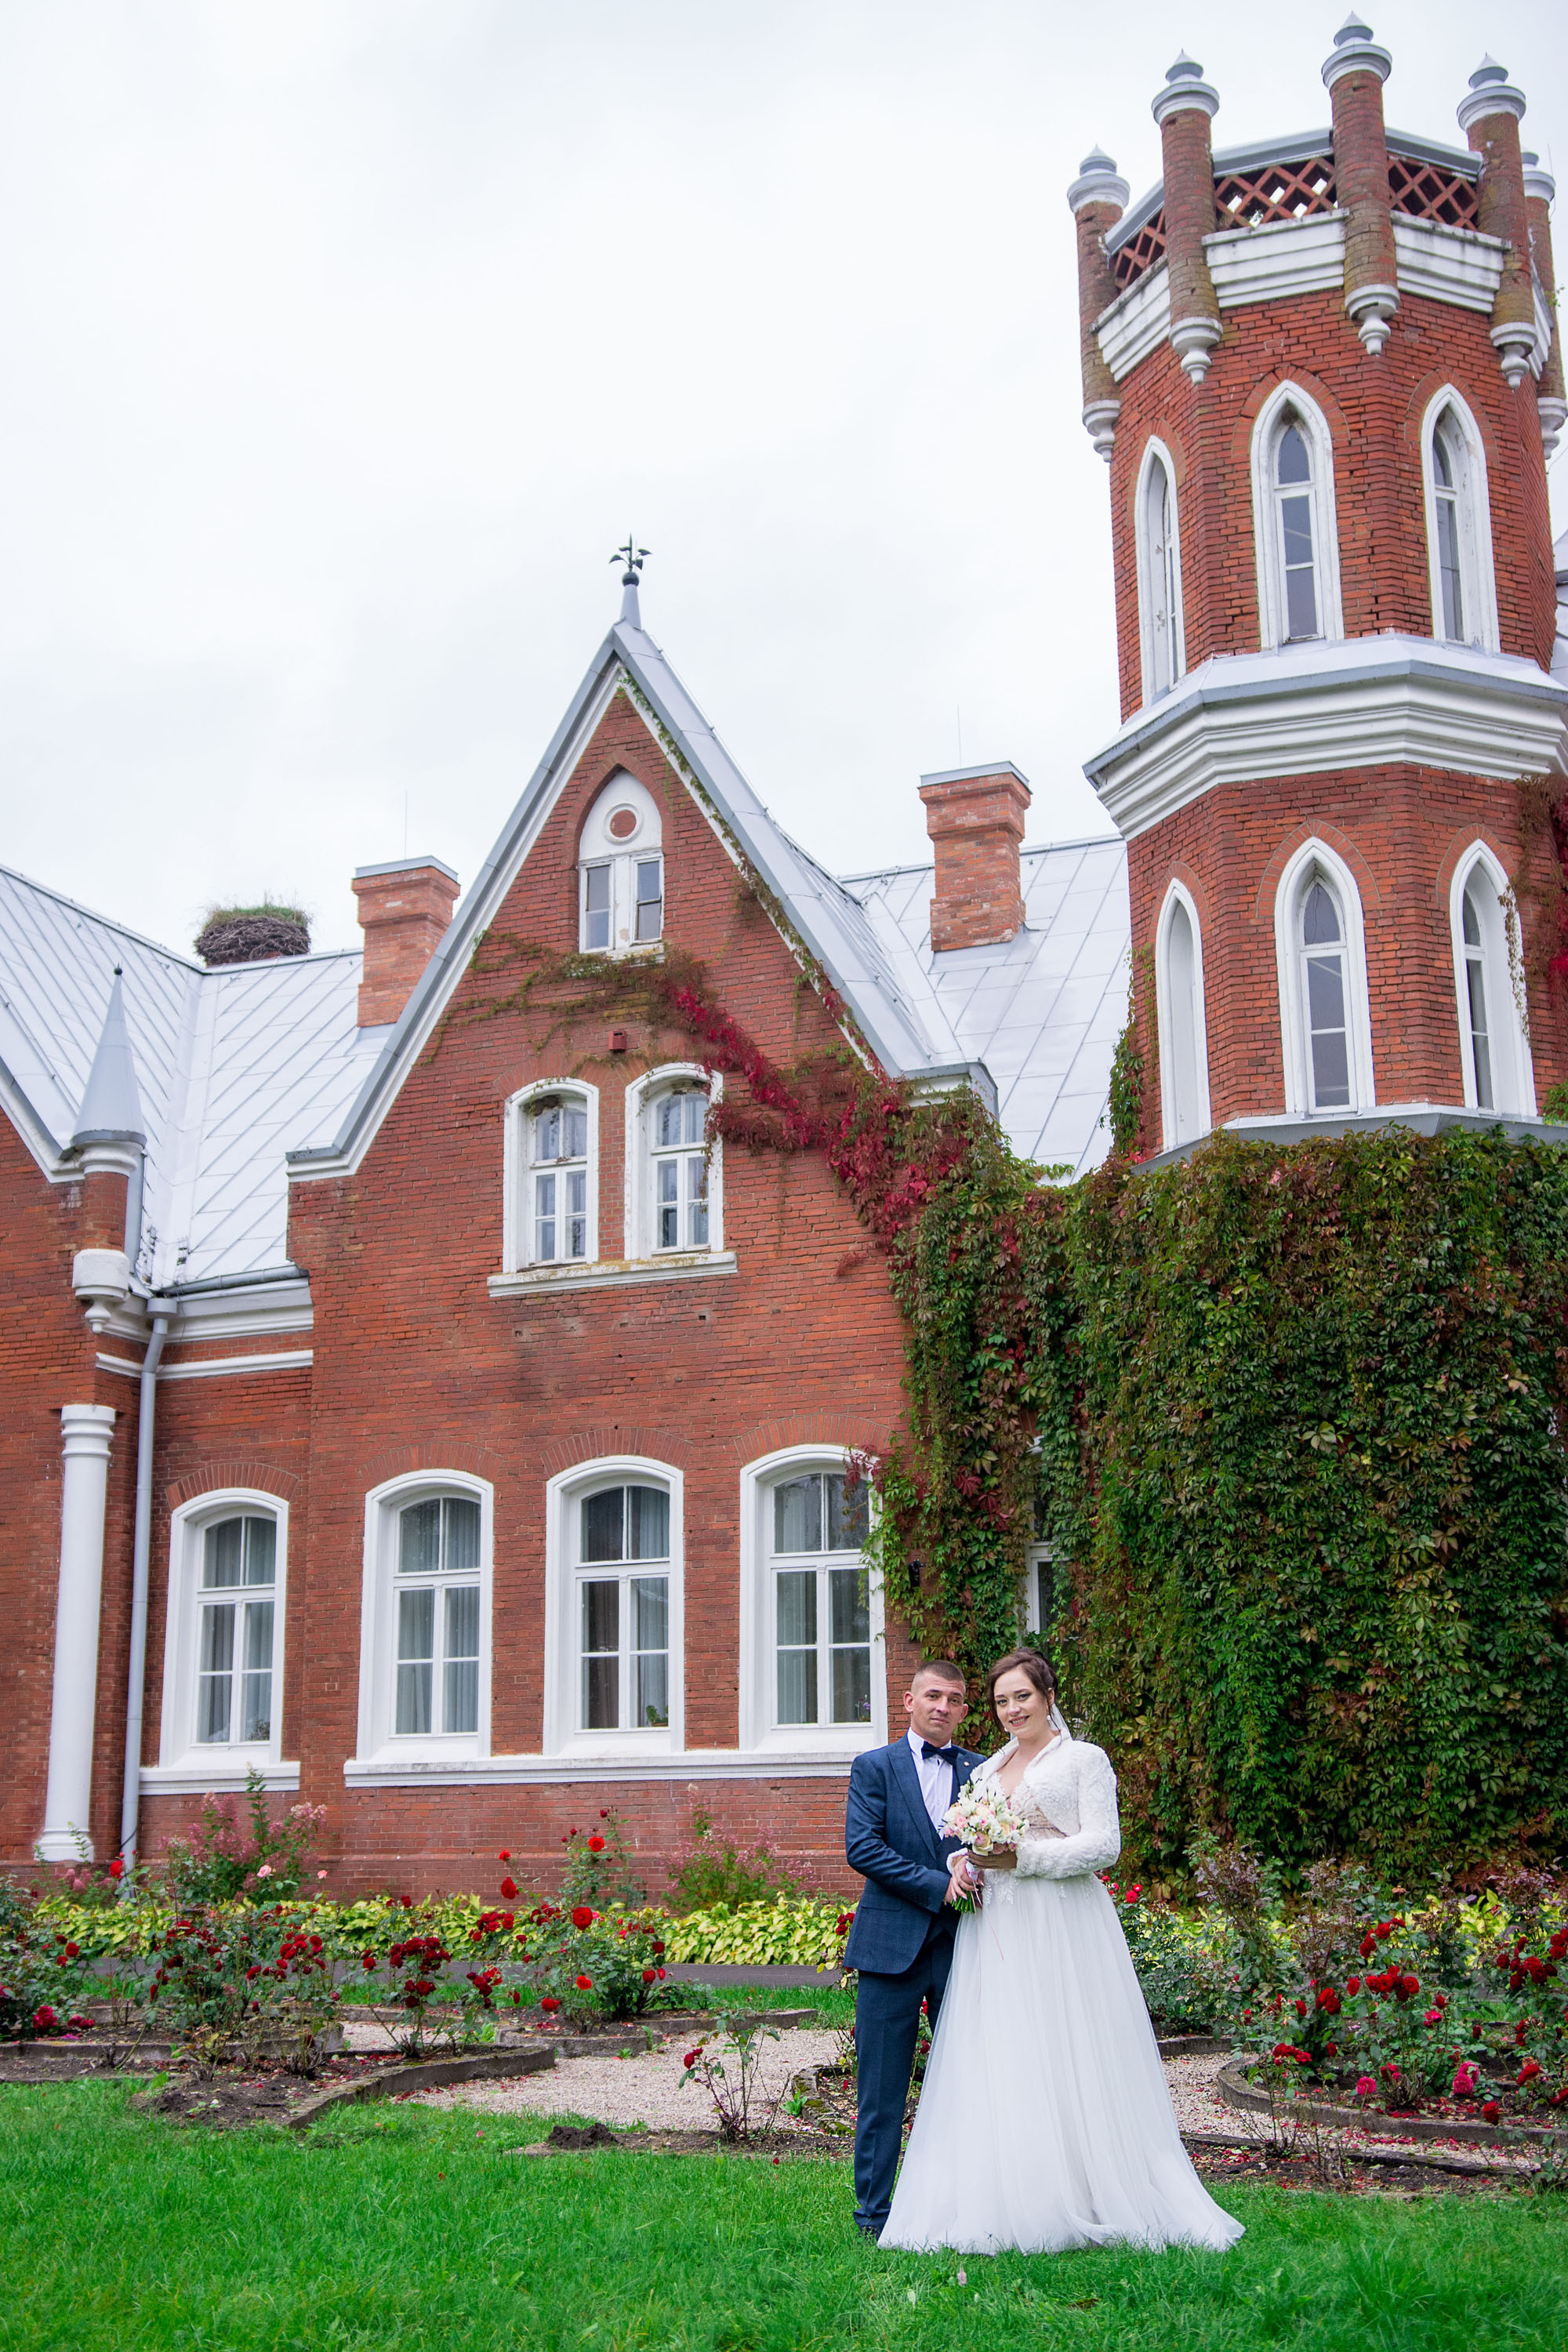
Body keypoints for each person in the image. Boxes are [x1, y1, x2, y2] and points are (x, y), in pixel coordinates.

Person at [879, 1647, 1243, 2256]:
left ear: (1048, 1695)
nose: (1011, 1709)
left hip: (1062, 1923)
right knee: (1005, 2052)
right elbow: (971, 1842)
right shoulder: (987, 1769)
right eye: (1000, 1701)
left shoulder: (1083, 1760)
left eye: (1022, 1696)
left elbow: (1104, 1845)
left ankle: (1092, 2189)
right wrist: (961, 1864)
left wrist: (1025, 1859)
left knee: (1068, 2047)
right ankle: (1010, 2196)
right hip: (997, 1930)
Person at [841, 1658, 985, 2239]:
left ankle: (961, 2209)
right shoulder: (873, 1767)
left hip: (964, 1950)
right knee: (881, 2093)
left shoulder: (982, 1770)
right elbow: (862, 1849)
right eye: (932, 1696)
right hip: (888, 1951)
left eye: (954, 1699)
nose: (941, 1707)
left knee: (967, 2088)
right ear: (908, 1700)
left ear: (965, 1711)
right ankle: (874, 2217)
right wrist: (938, 1884)